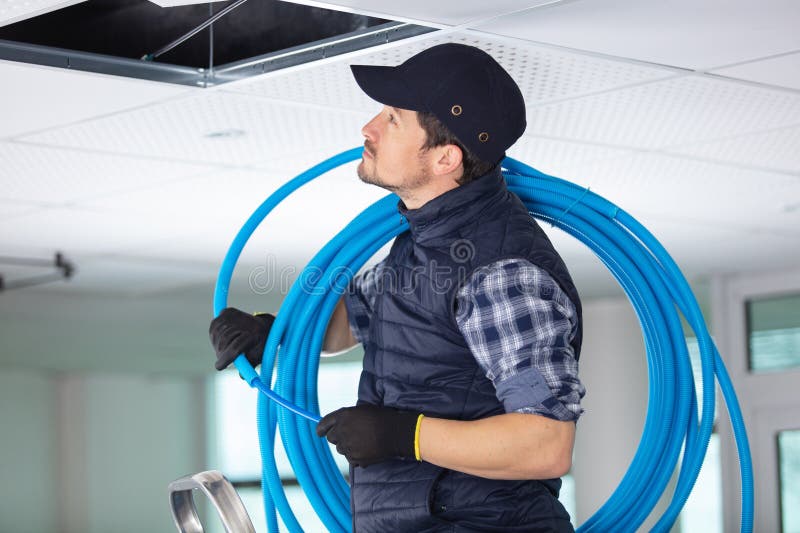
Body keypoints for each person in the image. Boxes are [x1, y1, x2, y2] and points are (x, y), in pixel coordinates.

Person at [210, 43, 585, 532]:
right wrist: (272, 334)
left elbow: (544, 443)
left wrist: (406, 435)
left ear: (445, 158)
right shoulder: (421, 243)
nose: (368, 128)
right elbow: (355, 321)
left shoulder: (502, 273)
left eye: (392, 119)